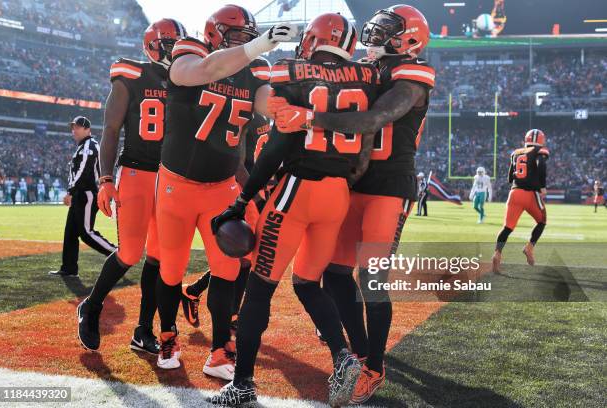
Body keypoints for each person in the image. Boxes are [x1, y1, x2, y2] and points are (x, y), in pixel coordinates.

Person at [209, 12, 380, 407]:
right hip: (337, 195)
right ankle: (342, 356)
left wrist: (241, 199)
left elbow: (276, 149)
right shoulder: (366, 79)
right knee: (307, 283)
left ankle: (243, 385)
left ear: (313, 40)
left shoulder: (294, 74)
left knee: (259, 291)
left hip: (299, 190)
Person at [270, 4, 434, 403]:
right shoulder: (363, 70)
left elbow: (375, 119)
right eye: (377, 28)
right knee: (334, 273)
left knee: (372, 282)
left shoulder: (414, 74)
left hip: (389, 188)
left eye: (388, 30)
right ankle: (360, 353)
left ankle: (374, 369)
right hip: (354, 184)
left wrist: (309, 117)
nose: (375, 35)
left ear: (408, 38)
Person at [153, 4, 296, 374]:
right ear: (214, 33)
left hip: (221, 187)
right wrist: (261, 44)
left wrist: (301, 95)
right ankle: (167, 337)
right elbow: (203, 71)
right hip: (176, 185)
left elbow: (271, 104)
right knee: (171, 269)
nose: (246, 45)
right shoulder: (190, 50)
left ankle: (220, 350)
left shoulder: (253, 73)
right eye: (238, 38)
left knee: (227, 269)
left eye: (250, 38)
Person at [76, 19, 186, 354]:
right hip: (137, 172)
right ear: (153, 45)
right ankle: (91, 307)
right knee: (130, 252)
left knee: (157, 257)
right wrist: (105, 178)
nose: (177, 52)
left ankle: (143, 331)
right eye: (170, 45)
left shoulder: (186, 80)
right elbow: (110, 129)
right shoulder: (133, 74)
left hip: (169, 178)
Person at [180, 113, 271, 331]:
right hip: (241, 190)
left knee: (246, 257)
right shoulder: (244, 112)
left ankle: (194, 291)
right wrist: (255, 197)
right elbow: (237, 163)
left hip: (254, 188)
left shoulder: (265, 113)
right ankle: (231, 313)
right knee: (243, 254)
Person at [49, 116, 116, 277]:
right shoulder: (83, 146)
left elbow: (84, 171)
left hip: (87, 194)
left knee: (86, 232)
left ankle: (117, 254)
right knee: (71, 232)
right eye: (73, 127)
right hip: (81, 193)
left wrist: (70, 191)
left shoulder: (89, 146)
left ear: (87, 129)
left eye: (77, 127)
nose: (74, 130)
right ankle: (69, 268)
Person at [492, 129, 549, 273]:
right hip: (530, 194)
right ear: (541, 140)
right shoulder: (539, 151)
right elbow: (541, 165)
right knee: (542, 221)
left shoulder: (516, 153)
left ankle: (497, 254)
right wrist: (542, 186)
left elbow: (510, 178)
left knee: (507, 228)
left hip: (514, 193)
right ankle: (529, 247)